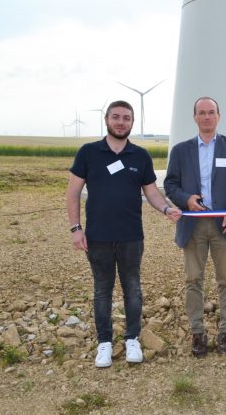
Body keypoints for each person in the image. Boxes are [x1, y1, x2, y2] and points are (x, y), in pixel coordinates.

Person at [66, 100, 181, 368]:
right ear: (106, 119)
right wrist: (75, 229)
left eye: (126, 118)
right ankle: (104, 343)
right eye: (116, 117)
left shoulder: (140, 156)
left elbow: (151, 192)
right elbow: (72, 193)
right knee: (102, 291)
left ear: (132, 122)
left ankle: (132, 339)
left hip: (131, 237)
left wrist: (166, 209)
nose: (121, 122)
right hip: (98, 237)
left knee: (133, 289)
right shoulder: (88, 153)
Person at [164, 97, 226, 357]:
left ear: (219, 116)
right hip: (193, 225)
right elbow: (171, 185)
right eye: (202, 113)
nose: (207, 117)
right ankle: (197, 333)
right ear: (195, 117)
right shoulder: (180, 150)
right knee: (193, 279)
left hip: (223, 223)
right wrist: (186, 199)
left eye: (211, 112)